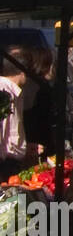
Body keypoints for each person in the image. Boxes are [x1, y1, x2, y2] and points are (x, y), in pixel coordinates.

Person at [0, 46, 39, 178]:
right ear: (24, 72)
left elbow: (11, 131)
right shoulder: (4, 93)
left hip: (11, 163)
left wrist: (25, 148)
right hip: (4, 165)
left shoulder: (15, 92)